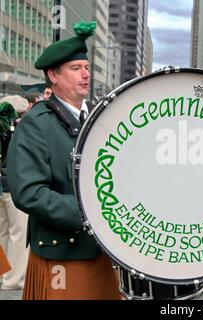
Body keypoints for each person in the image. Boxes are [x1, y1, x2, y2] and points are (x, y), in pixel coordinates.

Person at [7, 21, 120, 300]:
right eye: (75, 68)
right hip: (63, 254)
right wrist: (89, 213)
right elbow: (28, 192)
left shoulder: (96, 119)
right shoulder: (36, 124)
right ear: (53, 76)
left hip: (102, 251)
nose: (85, 74)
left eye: (86, 67)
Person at [0, 95, 30, 290]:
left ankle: (2, 274)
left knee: (1, 233)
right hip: (13, 185)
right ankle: (14, 280)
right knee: (18, 234)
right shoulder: (19, 129)